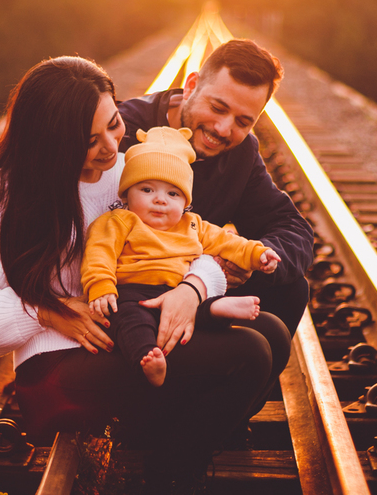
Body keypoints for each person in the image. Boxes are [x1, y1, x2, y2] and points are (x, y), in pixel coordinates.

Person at [0, 56, 278, 467]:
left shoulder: (126, 173)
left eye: (114, 125)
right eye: (90, 140)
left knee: (271, 331)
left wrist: (193, 288)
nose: (112, 147)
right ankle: (162, 482)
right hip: (59, 368)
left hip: (128, 330)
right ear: (51, 139)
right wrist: (46, 311)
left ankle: (162, 447)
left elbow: (189, 234)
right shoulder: (3, 194)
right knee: (249, 353)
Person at [117, 39, 315, 396]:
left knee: (291, 286)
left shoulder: (241, 154)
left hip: (196, 288)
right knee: (260, 338)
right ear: (191, 85)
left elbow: (292, 229)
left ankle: (226, 418)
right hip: (131, 293)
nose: (224, 129)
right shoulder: (128, 129)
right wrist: (202, 273)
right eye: (218, 107)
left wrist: (252, 258)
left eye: (243, 121)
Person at [82, 126, 280, 386]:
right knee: (129, 321)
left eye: (172, 193)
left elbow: (227, 242)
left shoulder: (193, 224)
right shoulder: (120, 220)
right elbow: (100, 252)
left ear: (185, 202)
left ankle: (220, 308)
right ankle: (147, 357)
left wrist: (257, 253)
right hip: (132, 293)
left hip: (177, 292)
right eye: (147, 190)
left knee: (199, 311)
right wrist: (100, 286)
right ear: (127, 194)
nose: (160, 200)